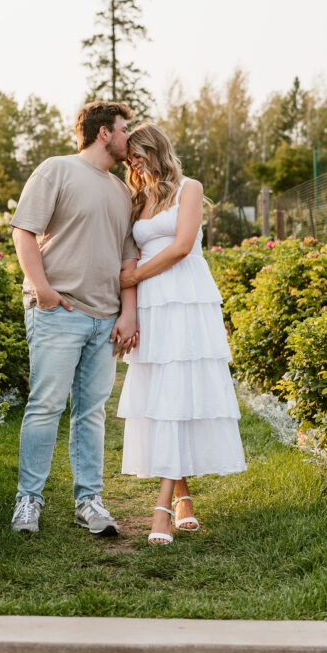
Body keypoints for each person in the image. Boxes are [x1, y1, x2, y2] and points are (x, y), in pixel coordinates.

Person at [9, 100, 139, 535]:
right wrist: (43, 292)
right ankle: (28, 500)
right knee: (45, 407)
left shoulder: (121, 189)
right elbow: (23, 231)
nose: (128, 137)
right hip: (58, 312)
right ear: (104, 132)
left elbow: (126, 259)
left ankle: (90, 501)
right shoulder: (56, 170)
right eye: (124, 129)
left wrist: (127, 313)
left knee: (92, 413)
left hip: (105, 321)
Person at [118, 123, 246, 544]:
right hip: (152, 304)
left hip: (186, 298)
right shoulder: (137, 197)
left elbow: (182, 246)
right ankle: (184, 498)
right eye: (130, 159)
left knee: (178, 392)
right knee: (162, 396)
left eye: (139, 156)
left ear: (157, 151)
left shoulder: (189, 188)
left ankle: (161, 508)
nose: (134, 165)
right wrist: (130, 299)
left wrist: (133, 275)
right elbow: (130, 254)